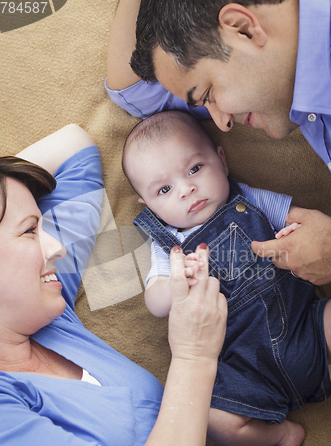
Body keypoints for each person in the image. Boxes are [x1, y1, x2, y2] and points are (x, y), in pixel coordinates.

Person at [0, 124, 232, 446]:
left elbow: (74, 150)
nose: (56, 247)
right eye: (30, 231)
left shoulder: (45, 312)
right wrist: (195, 357)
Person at [122, 110, 331, 446]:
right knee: (212, 421)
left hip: (308, 331)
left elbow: (303, 222)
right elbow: (155, 303)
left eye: (194, 169)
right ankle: (282, 433)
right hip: (245, 374)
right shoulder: (168, 248)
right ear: (147, 205)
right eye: (164, 190)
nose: (186, 190)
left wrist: (294, 231)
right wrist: (175, 283)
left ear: (221, 158)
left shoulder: (249, 198)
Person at [106, 0, 331, 286]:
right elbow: (133, 90)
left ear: (242, 27)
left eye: (208, 93)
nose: (222, 122)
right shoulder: (275, 83)